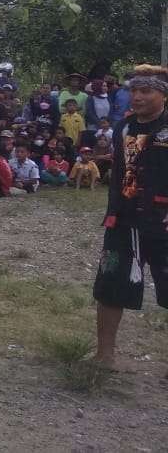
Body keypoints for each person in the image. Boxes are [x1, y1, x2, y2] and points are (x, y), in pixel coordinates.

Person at [93, 65, 168, 371]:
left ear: (163, 94)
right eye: (134, 91)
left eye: (145, 91)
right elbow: (119, 176)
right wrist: (113, 211)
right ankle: (104, 356)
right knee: (110, 285)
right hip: (124, 220)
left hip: (163, 220)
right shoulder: (123, 128)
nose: (137, 97)